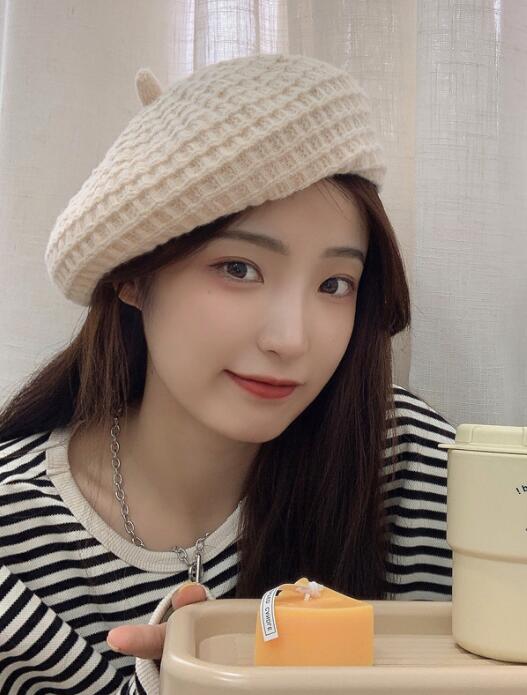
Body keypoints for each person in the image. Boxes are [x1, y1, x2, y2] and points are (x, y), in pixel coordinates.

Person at [1, 53, 459, 694]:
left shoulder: (405, 462)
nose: (290, 340)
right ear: (132, 275)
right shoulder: (16, 541)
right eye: (239, 269)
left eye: (335, 283)